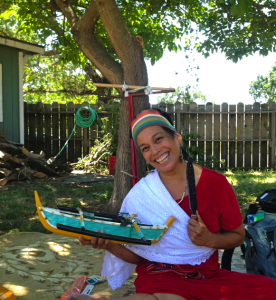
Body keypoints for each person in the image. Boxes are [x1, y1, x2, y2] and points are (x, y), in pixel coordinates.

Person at [66, 109, 276, 300]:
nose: (155, 151)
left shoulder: (216, 184)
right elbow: (139, 258)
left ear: (177, 137)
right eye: (146, 148)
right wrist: (109, 244)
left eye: (159, 139)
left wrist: (210, 239)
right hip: (159, 276)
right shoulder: (141, 196)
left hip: (206, 276)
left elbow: (238, 236)